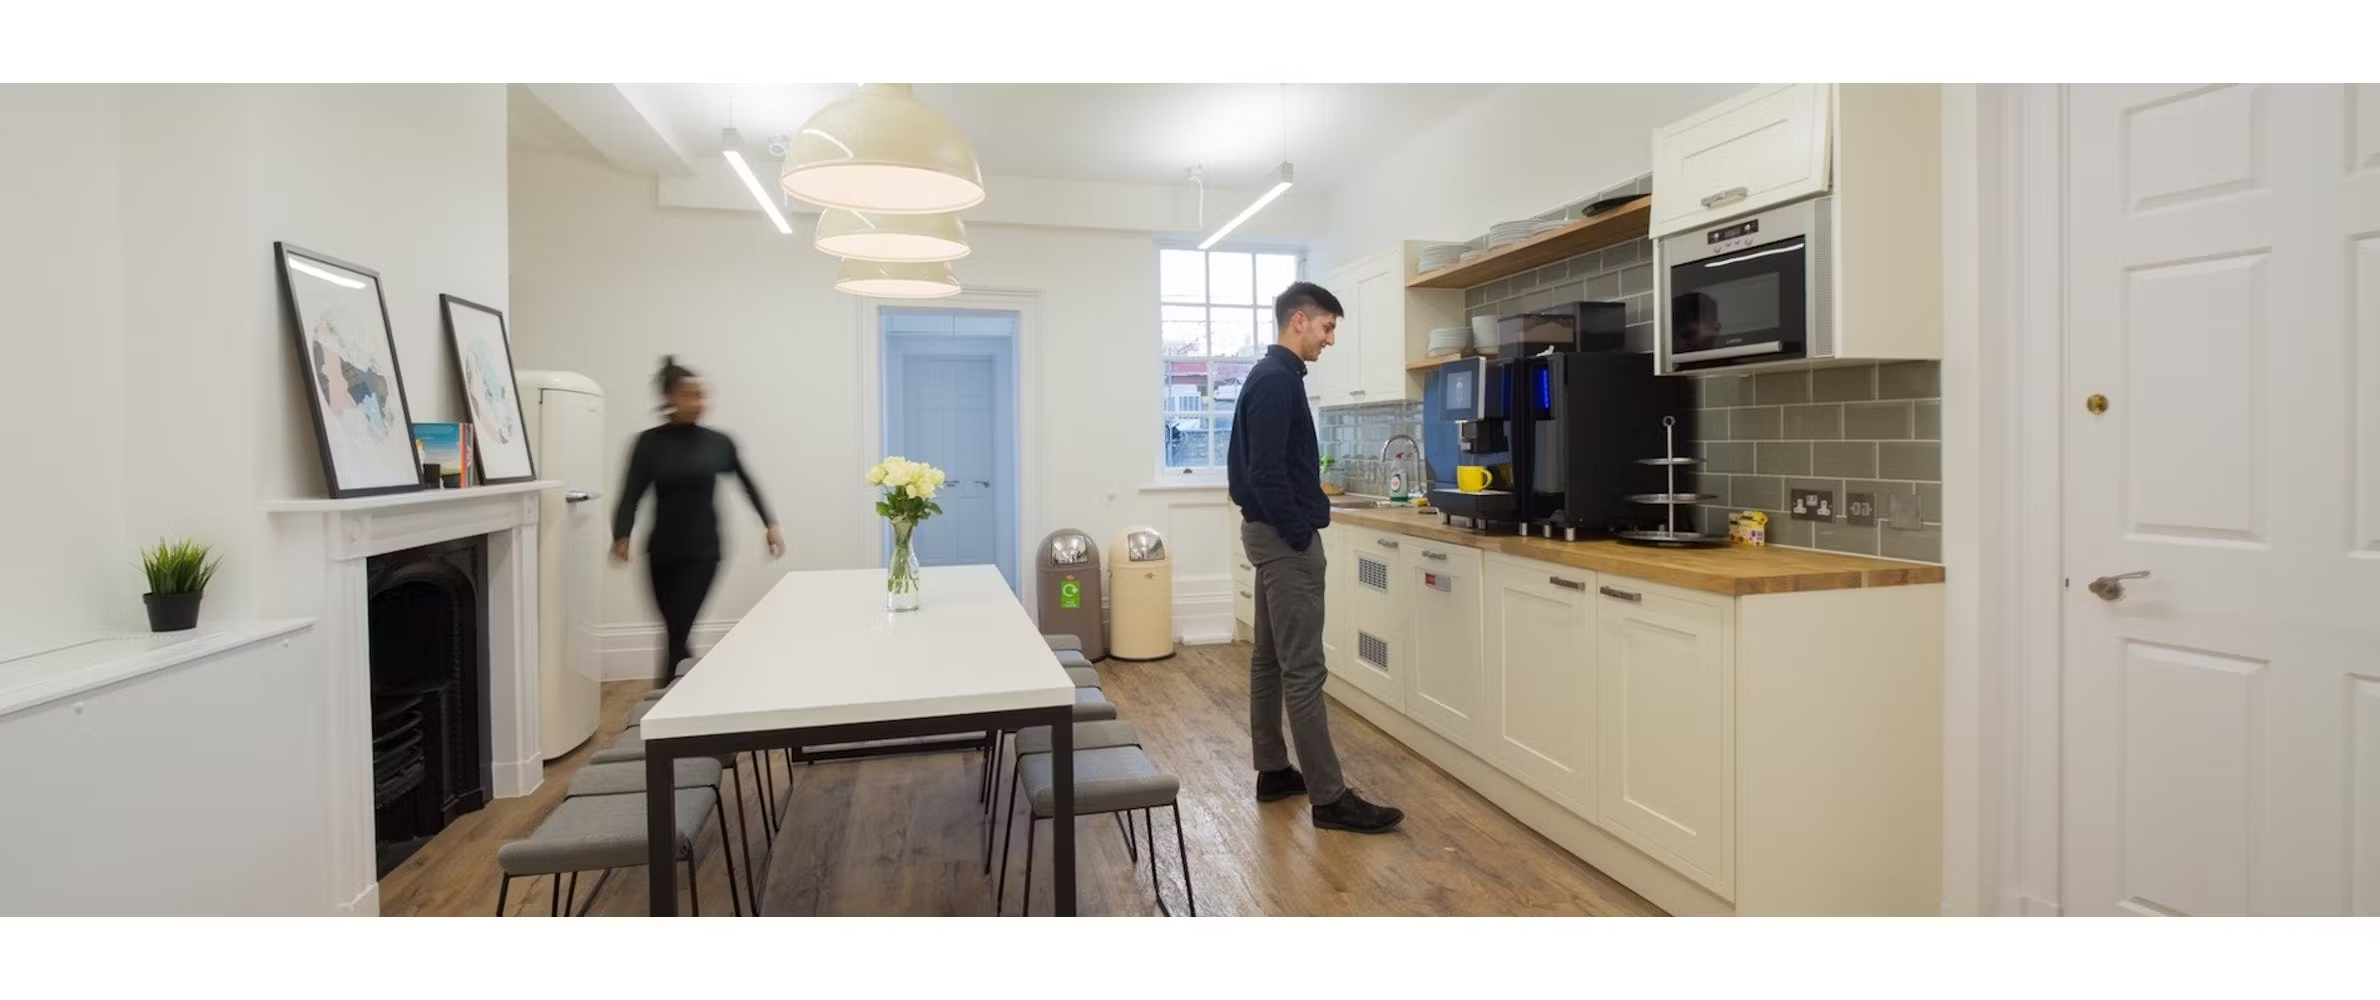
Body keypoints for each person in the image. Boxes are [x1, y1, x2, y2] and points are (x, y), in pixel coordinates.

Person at [1226, 281, 1405, 834]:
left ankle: (1274, 770)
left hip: (1268, 535)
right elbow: (1265, 474)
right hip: (1285, 542)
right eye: (1327, 327)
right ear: (1298, 320)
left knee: (1269, 658)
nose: (1330, 339)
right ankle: (1330, 799)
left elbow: (1257, 472)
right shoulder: (1277, 381)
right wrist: (1301, 533)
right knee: (1304, 669)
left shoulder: (1269, 376)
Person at [612, 357, 785, 684]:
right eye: (688, 395)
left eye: (701, 395)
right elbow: (631, 493)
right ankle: (684, 690)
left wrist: (770, 525)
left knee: (678, 629)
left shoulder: (718, 443)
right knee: (674, 632)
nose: (698, 402)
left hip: (704, 551)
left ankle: (667, 692)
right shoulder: (649, 444)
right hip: (661, 553)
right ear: (669, 398)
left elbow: (747, 483)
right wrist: (621, 534)